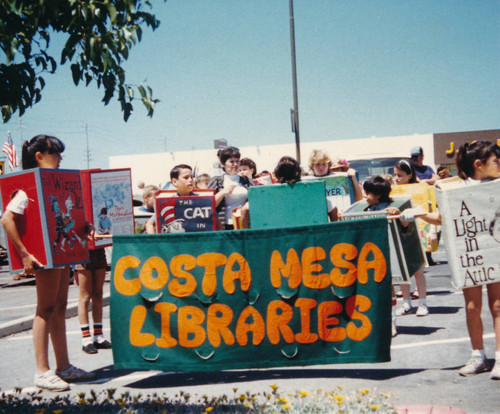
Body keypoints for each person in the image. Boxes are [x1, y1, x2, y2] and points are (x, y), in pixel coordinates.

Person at [1, 135, 95, 391]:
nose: (61, 158)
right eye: (56, 153)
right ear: (39, 155)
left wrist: (82, 227)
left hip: (60, 253)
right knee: (45, 309)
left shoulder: (54, 186)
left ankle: (63, 366)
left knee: (61, 307)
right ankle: (42, 370)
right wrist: (24, 254)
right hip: (44, 257)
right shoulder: (26, 190)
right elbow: (7, 219)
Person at [401, 140, 500, 379]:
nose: (499, 164)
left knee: (498, 306)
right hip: (470, 256)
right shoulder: (454, 189)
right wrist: (420, 213)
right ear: (479, 164)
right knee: (472, 307)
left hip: (494, 253)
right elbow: (442, 218)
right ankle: (478, 356)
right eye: (495, 161)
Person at [362, 176, 406, 337]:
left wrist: (399, 215)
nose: (364, 196)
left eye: (367, 193)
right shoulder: (365, 210)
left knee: (390, 289)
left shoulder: (391, 208)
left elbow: (406, 227)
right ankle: (378, 321)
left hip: (388, 255)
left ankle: (392, 322)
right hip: (371, 256)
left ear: (377, 195)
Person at [393, 159, 430, 317]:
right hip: (399, 234)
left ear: (409, 175)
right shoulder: (392, 192)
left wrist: (431, 232)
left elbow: (428, 209)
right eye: (395, 175)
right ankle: (406, 302)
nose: (396, 178)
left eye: (400, 175)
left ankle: (423, 303)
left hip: (416, 234)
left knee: (418, 271)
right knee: (403, 272)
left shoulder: (420, 189)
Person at [75, 232, 111, 354]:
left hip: (99, 249)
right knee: (85, 296)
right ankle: (86, 339)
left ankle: (98, 335)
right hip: (83, 249)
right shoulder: (78, 212)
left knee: (98, 294)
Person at [308, 149, 363, 221]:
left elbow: (358, 200)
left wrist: (353, 178)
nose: (321, 168)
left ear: (328, 165)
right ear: (312, 166)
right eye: (317, 164)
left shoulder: (346, 178)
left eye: (324, 164)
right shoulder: (306, 183)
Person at [208, 147, 252, 230]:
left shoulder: (246, 180)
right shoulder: (216, 181)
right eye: (231, 161)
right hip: (224, 225)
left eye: (237, 161)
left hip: (244, 224)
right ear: (223, 164)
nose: (235, 164)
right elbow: (207, 205)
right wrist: (223, 193)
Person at [145, 164, 196, 234]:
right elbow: (149, 224)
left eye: (192, 177)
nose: (190, 180)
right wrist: (154, 242)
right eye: (186, 177)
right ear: (174, 182)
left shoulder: (203, 200)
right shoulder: (168, 203)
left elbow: (214, 220)